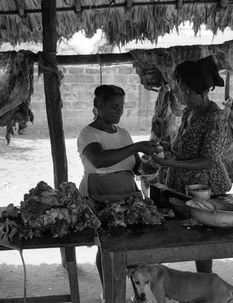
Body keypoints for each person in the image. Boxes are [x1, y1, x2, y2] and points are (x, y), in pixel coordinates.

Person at [77, 84, 160, 302]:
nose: (119, 111)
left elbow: (135, 167)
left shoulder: (123, 133)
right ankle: (110, 293)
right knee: (106, 245)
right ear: (98, 105)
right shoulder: (88, 133)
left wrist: (150, 166)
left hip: (128, 196)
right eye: (114, 106)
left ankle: (135, 295)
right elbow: (100, 160)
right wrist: (136, 147)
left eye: (122, 106)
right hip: (100, 197)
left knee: (131, 247)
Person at [152, 56, 232, 273]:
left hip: (204, 188)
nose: (183, 97)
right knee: (188, 234)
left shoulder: (215, 118)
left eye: (187, 92)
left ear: (204, 91)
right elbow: (182, 145)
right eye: (180, 91)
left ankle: (205, 281)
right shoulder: (190, 111)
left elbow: (208, 160)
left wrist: (172, 164)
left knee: (203, 240)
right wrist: (165, 148)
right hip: (183, 184)